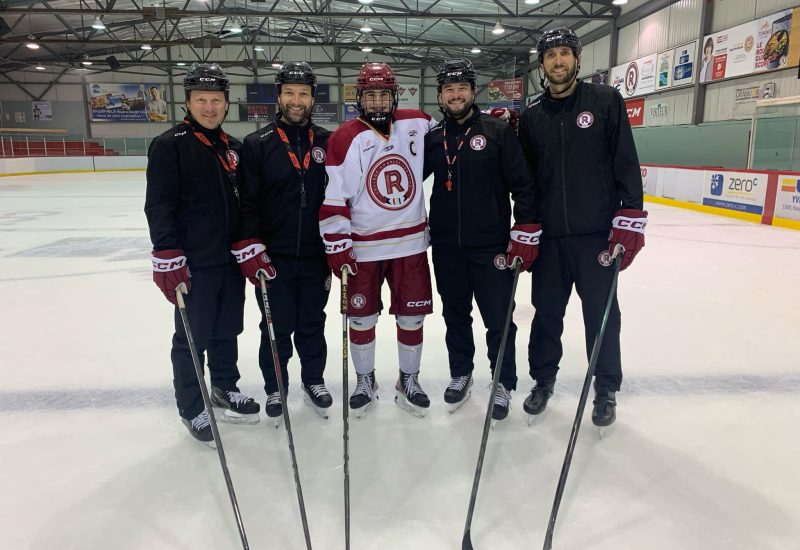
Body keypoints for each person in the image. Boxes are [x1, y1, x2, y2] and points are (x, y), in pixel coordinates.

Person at [518, 28, 647, 427]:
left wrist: (630, 219)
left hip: (596, 237)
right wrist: (525, 227)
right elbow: (526, 181)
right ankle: (543, 380)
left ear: (576, 59)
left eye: (564, 54)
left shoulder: (606, 102)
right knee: (546, 315)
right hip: (552, 240)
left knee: (602, 316)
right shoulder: (532, 117)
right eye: (550, 56)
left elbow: (626, 162)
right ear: (541, 66)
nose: (557, 61)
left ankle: (605, 389)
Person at [145, 63, 260, 445]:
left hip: (229, 260)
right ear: (188, 102)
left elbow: (245, 204)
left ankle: (225, 386)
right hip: (194, 263)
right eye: (201, 100)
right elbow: (159, 204)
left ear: (226, 103)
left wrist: (248, 242)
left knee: (228, 329)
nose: (209, 107)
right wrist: (167, 253)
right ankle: (192, 407)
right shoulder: (170, 144)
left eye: (215, 100)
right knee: (193, 338)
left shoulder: (233, 148)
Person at [319, 62, 437, 418]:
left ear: (394, 95)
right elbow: (334, 198)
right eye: (369, 95)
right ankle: (365, 379)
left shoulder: (419, 122)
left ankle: (408, 379)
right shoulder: (343, 137)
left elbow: (454, 135)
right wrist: (337, 244)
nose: (377, 102)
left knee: (412, 319)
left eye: (383, 94)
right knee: (361, 319)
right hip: (363, 250)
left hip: (411, 246)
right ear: (359, 98)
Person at [424, 58, 539, 421]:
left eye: (461, 88)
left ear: (473, 92)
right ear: (440, 96)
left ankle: (503, 380)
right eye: (448, 89)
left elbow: (523, 184)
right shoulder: (433, 138)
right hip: (446, 247)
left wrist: (525, 229)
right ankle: (461, 372)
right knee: (455, 315)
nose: (455, 95)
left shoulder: (497, 131)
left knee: (498, 319)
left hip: (491, 247)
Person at [235, 62, 333, 423]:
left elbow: (341, 198)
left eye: (303, 93)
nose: (296, 100)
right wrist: (252, 248)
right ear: (278, 97)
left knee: (312, 322)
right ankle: (276, 386)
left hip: (316, 256)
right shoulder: (257, 144)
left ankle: (314, 380)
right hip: (273, 257)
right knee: (275, 326)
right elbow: (247, 203)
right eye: (290, 93)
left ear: (312, 98)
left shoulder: (328, 141)